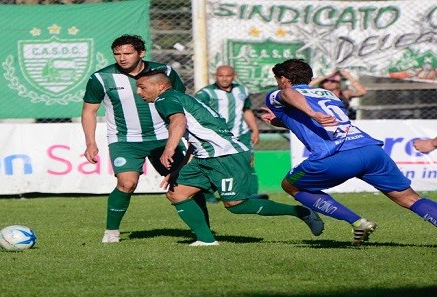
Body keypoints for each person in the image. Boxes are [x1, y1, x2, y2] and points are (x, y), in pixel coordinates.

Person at [135, 69, 324, 246]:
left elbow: (179, 121)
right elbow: (197, 138)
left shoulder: (165, 99)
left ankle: (301, 211)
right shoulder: (179, 98)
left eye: (142, 87)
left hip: (225, 155)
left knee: (236, 205)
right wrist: (178, 169)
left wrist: (169, 149)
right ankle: (206, 240)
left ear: (160, 86)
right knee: (177, 194)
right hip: (205, 156)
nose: (138, 91)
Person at [261, 58, 437, 245]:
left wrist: (312, 114)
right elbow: (314, 118)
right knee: (409, 198)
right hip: (370, 151)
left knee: (291, 186)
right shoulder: (329, 94)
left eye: (277, 79)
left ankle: (357, 222)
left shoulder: (282, 92)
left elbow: (289, 94)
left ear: (283, 79)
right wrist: (281, 121)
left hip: (337, 157)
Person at [81, 34, 210, 243]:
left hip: (163, 138)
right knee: (127, 182)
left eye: (128, 53)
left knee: (185, 183)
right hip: (124, 140)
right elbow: (89, 110)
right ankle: (111, 232)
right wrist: (90, 142)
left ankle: (204, 232)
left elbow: (181, 103)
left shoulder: (164, 72)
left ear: (141, 53)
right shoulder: (101, 78)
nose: (122, 58)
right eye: (117, 54)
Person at [194, 65, 268, 201]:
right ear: (216, 76)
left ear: (234, 76)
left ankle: (251, 195)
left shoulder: (241, 90)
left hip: (241, 134)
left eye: (227, 76)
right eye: (220, 76)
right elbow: (197, 114)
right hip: (216, 137)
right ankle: (206, 195)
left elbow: (246, 110)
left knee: (248, 162)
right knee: (212, 164)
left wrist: (255, 129)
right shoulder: (205, 93)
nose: (224, 79)